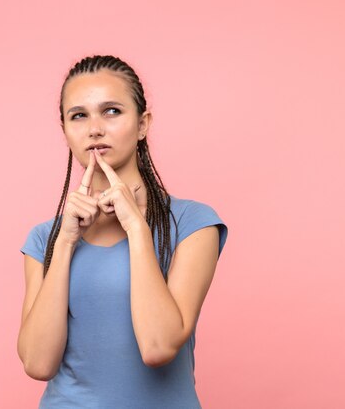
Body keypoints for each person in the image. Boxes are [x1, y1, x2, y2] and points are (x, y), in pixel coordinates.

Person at [18, 54, 228, 409]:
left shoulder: (192, 224)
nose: (95, 128)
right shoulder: (46, 238)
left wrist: (137, 229)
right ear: (65, 130)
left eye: (112, 111)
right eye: (79, 115)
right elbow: (38, 364)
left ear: (143, 124)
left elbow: (158, 347)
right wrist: (66, 241)